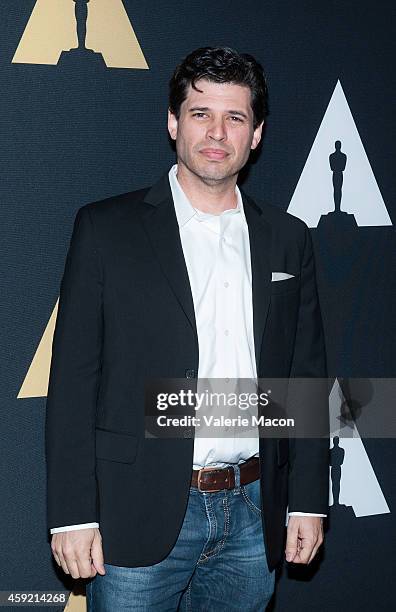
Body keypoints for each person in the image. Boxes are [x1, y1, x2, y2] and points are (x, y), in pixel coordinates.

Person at [46, 46, 329, 611]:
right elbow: (74, 383)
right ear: (174, 121)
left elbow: (305, 376)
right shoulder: (106, 229)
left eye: (236, 117)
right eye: (201, 114)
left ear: (257, 135)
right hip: (136, 513)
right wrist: (74, 514)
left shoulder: (289, 237)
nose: (217, 133)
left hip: (253, 514)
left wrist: (306, 501)